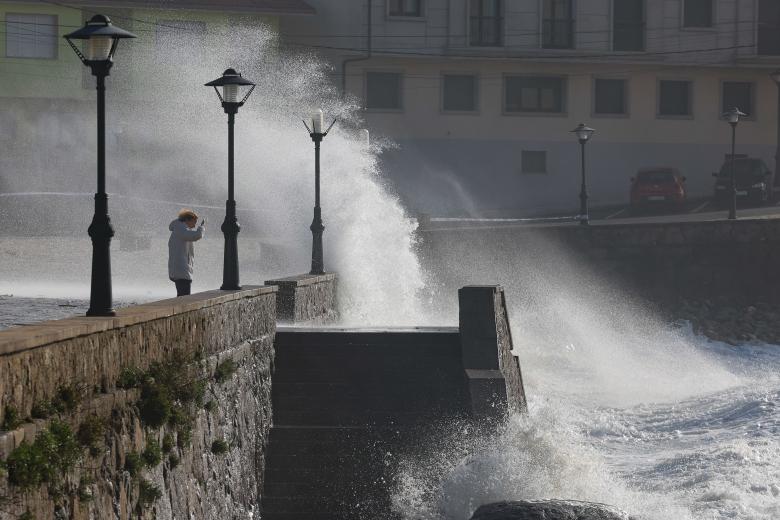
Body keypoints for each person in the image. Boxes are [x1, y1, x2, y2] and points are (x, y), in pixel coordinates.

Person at [168, 209, 205, 296]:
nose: (195, 225)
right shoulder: (180, 228)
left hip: (180, 269)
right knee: (184, 298)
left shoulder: (180, 228)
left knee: (182, 296)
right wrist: (201, 228)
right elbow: (196, 236)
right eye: (194, 222)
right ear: (187, 220)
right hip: (181, 270)